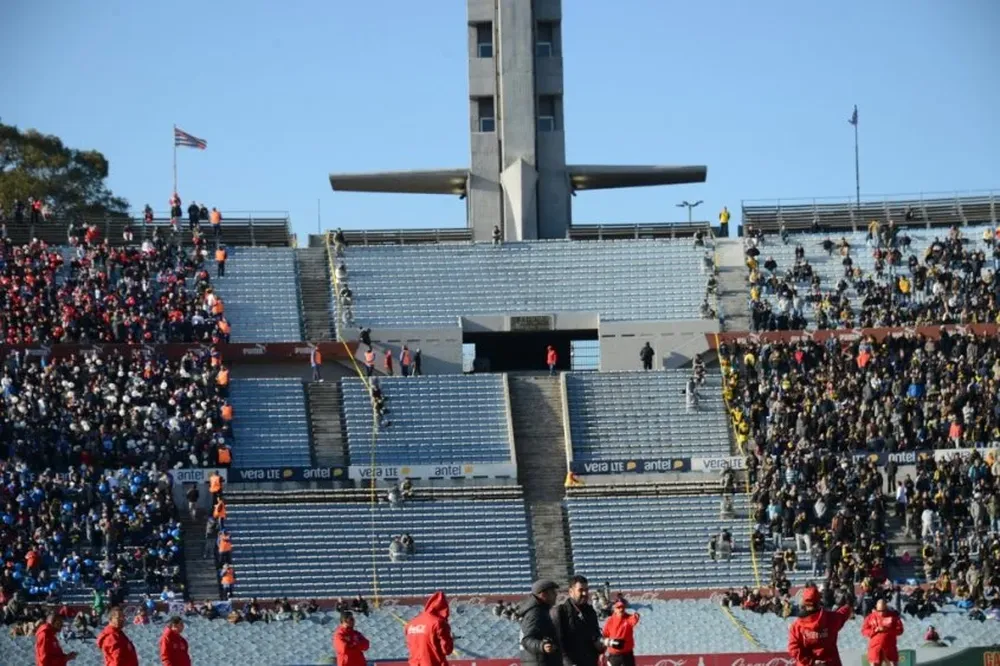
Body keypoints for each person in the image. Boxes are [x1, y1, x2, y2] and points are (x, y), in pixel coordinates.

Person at [787, 586, 851, 666]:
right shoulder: (832, 618)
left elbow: (793, 649)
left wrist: (811, 662)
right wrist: (847, 604)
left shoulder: (796, 626)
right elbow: (843, 613)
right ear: (819, 600)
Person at [552, 575, 604, 666]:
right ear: (571, 592)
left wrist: (602, 644)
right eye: (581, 590)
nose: (585, 593)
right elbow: (557, 645)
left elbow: (595, 636)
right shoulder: (560, 612)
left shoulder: (590, 612)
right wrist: (569, 664)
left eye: (586, 590)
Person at [405, 591, 454, 666]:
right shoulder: (439, 622)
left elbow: (410, 646)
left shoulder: (411, 623)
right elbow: (446, 650)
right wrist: (451, 639)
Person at [519, 580, 561, 666]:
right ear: (543, 594)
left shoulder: (541, 610)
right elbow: (527, 640)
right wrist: (542, 646)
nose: (556, 595)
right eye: (553, 592)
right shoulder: (535, 613)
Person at [861, 599, 904, 666]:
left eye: (883, 611)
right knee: (875, 664)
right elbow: (864, 631)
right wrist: (874, 630)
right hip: (875, 647)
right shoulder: (870, 617)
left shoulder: (893, 617)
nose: (881, 613)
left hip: (889, 647)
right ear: (876, 608)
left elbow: (900, 630)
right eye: (879, 611)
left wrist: (887, 630)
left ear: (886, 608)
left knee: (893, 664)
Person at [601, 601, 640, 666]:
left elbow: (634, 619)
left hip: (627, 655)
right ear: (615, 610)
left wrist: (636, 615)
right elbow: (605, 636)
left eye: (622, 607)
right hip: (614, 656)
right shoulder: (610, 621)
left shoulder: (628, 618)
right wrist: (602, 653)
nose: (621, 609)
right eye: (619, 608)